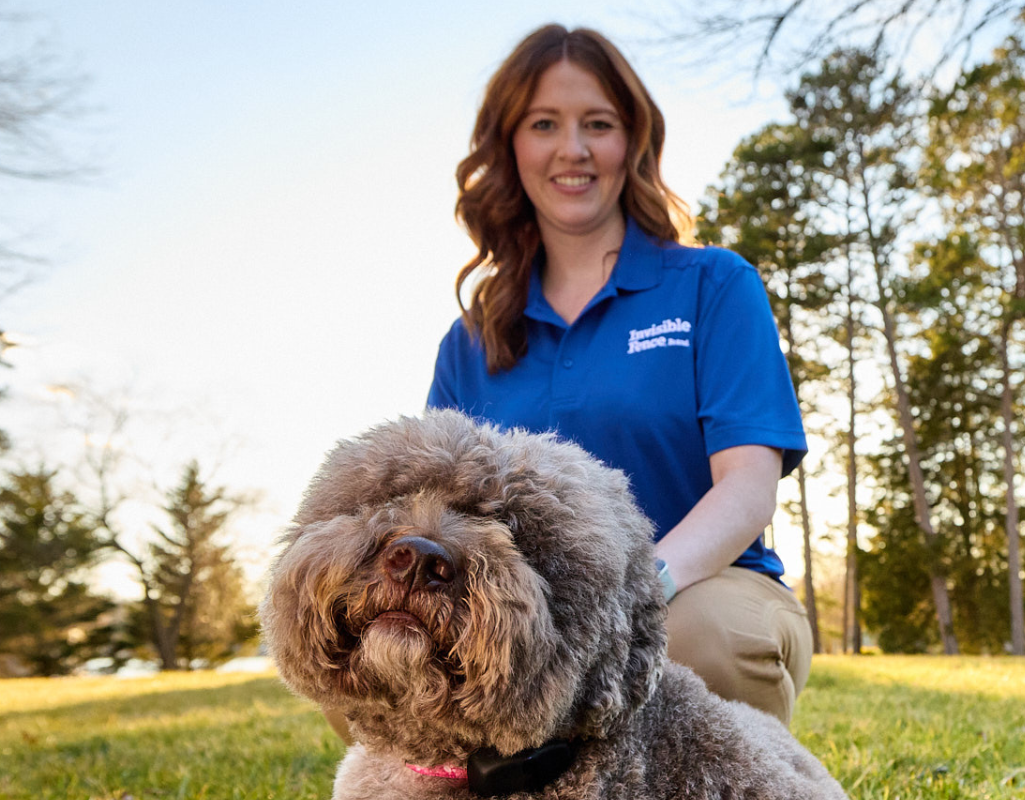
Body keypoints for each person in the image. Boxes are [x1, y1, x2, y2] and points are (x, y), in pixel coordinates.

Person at [329, 23, 811, 739]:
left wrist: (634, 594)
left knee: (702, 641)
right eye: (544, 124)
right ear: (511, 145)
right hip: (518, 613)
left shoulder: (713, 286)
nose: (573, 149)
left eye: (599, 124)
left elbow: (747, 487)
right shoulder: (470, 342)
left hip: (698, 587)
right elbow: (434, 512)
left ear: (633, 142)